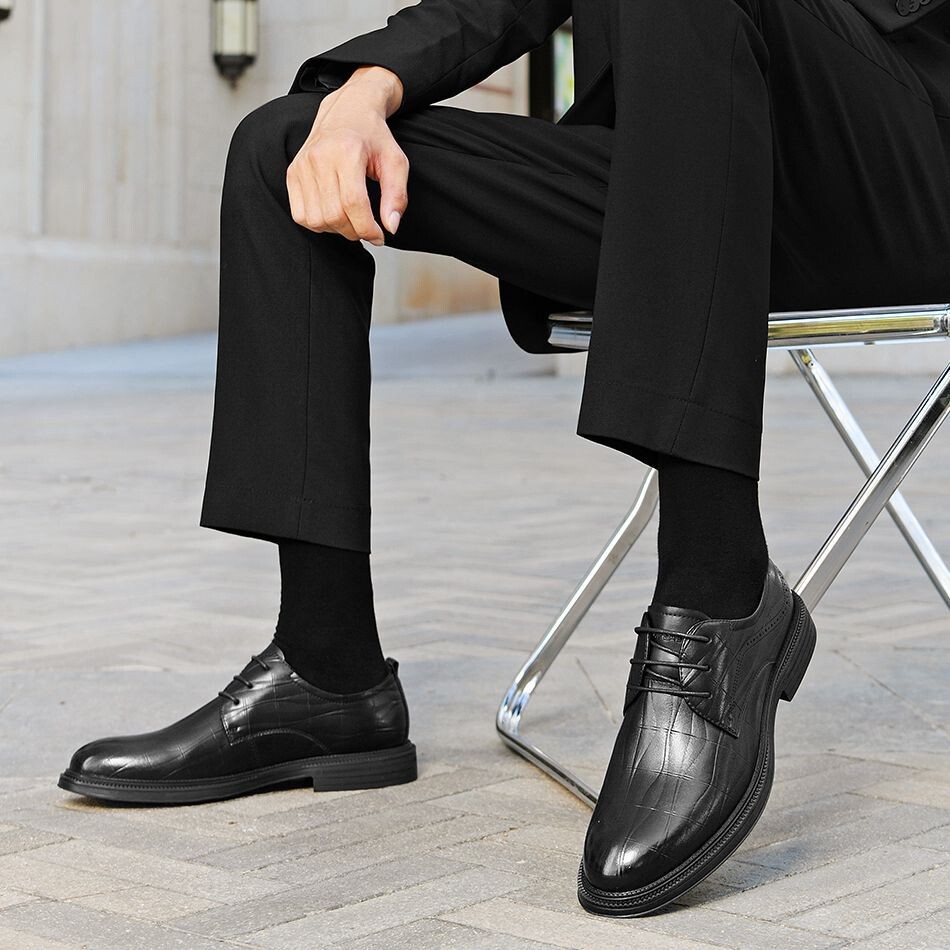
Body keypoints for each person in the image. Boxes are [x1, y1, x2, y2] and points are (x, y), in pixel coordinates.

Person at [58, 0, 950, 917]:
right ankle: (327, 672)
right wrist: (363, 93)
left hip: (893, 175)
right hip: (683, 174)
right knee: (287, 148)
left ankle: (717, 589)